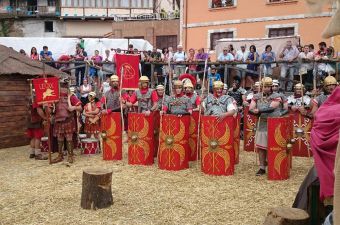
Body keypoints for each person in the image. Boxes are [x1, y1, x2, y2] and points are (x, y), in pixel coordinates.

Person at [249, 77, 285, 176]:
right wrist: (254, 111)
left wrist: (259, 110)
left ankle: (274, 165)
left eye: (269, 86)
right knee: (261, 148)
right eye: (265, 86)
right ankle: (262, 167)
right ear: (261, 87)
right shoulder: (256, 96)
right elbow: (251, 108)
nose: (267, 88)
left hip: (274, 124)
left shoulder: (276, 96)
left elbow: (272, 108)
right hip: (262, 123)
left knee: (274, 146)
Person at [52, 80, 82, 163]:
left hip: (68, 120)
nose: (62, 89)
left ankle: (70, 155)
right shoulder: (54, 97)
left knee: (69, 138)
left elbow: (80, 107)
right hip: (58, 121)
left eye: (63, 86)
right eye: (61, 86)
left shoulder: (71, 96)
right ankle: (60, 156)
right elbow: (51, 108)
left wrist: (74, 108)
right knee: (59, 138)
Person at [26, 95, 47, 160]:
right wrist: (45, 118)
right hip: (36, 120)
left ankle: (32, 153)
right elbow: (39, 110)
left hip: (30, 120)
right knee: (37, 137)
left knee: (33, 137)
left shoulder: (31, 97)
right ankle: (37, 154)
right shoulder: (37, 98)